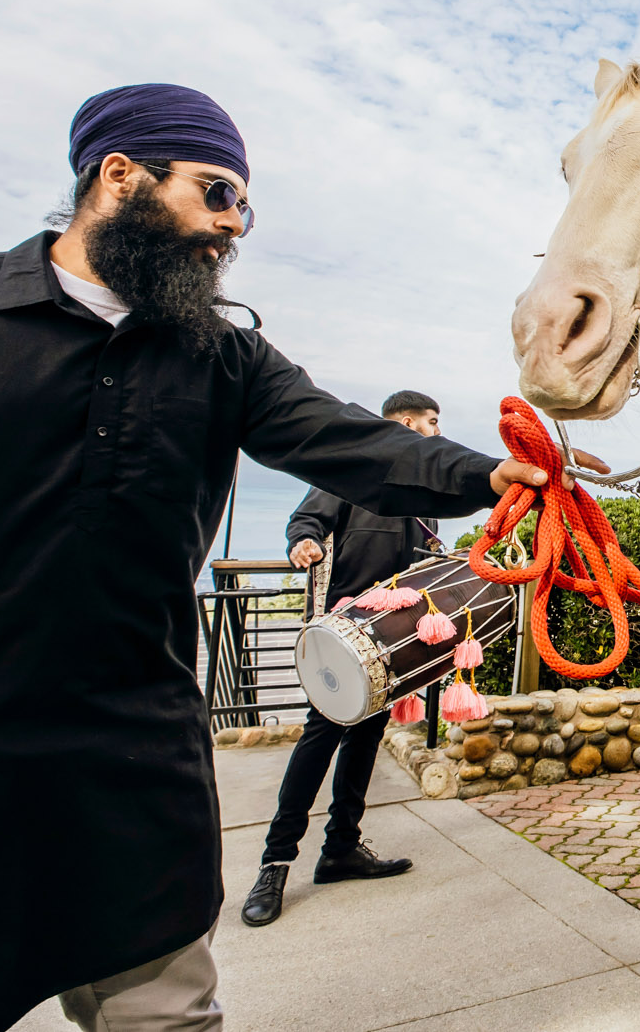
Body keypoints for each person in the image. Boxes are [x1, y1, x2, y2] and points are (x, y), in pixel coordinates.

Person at [0, 84, 561, 1032]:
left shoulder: (226, 360)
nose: (233, 224)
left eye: (243, 206)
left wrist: (495, 475)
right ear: (117, 175)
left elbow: (357, 444)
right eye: (216, 192)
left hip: (130, 775)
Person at [240, 390, 454, 927]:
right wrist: (303, 544)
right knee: (320, 739)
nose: (435, 431)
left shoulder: (418, 489)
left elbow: (424, 559)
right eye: (431, 422)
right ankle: (276, 862)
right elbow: (306, 521)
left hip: (394, 640)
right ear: (405, 422)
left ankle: (341, 848)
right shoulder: (354, 473)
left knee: (365, 739)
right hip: (347, 633)